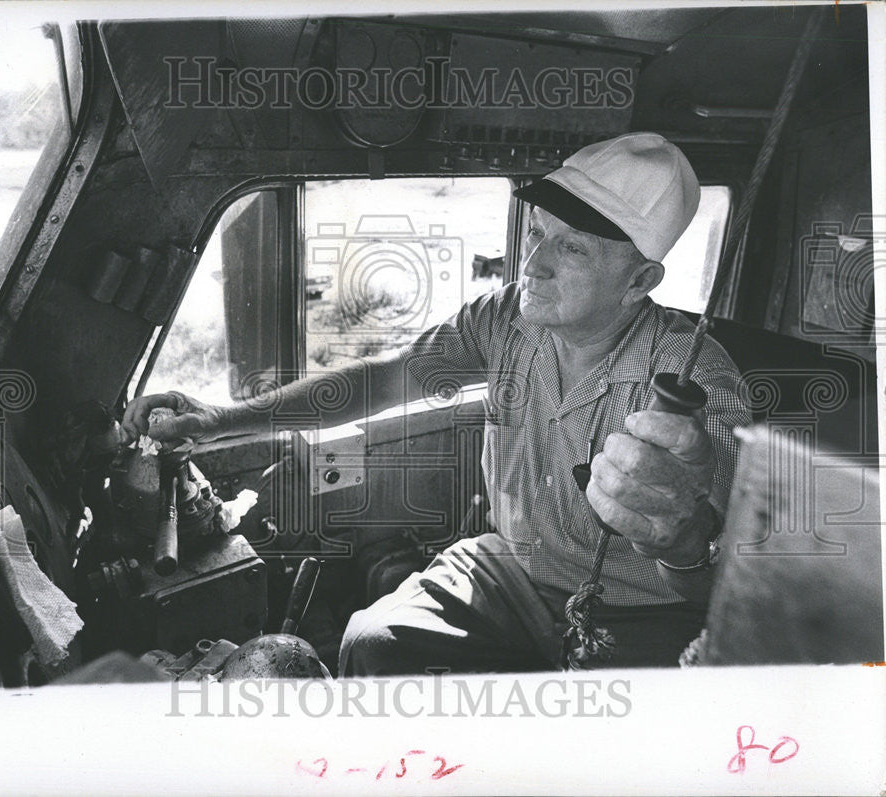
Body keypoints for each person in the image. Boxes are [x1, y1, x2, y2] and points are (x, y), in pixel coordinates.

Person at [123, 132, 752, 676]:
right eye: (538, 234)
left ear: (639, 282)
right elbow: (388, 380)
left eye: (573, 249)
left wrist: (682, 540)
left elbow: (723, 579)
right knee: (373, 644)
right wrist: (218, 421)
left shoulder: (694, 384)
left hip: (643, 610)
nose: (533, 264)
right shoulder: (507, 318)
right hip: (511, 569)